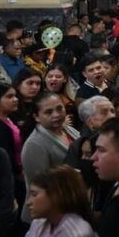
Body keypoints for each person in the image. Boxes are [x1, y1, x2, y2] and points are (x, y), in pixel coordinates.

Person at [21, 91, 80, 223]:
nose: (57, 115)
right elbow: (41, 185)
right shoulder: (34, 144)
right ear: (36, 117)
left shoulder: (69, 130)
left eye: (59, 108)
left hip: (71, 203)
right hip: (48, 214)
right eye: (48, 112)